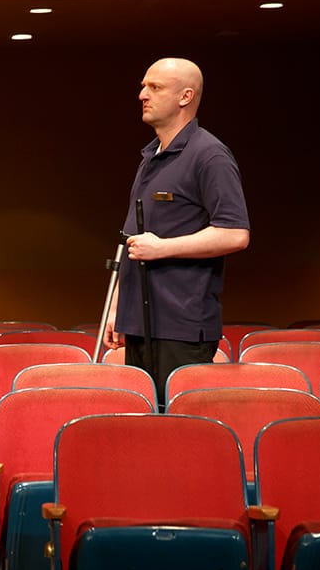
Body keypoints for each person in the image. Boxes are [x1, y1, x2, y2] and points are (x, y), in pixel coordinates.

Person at [103, 57, 250, 401]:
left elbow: (235, 233)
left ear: (185, 96)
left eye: (154, 87)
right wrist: (115, 307)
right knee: (144, 427)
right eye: (143, 85)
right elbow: (131, 239)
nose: (142, 94)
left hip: (180, 327)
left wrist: (163, 248)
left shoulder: (209, 155)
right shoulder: (151, 155)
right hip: (139, 323)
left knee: (178, 431)